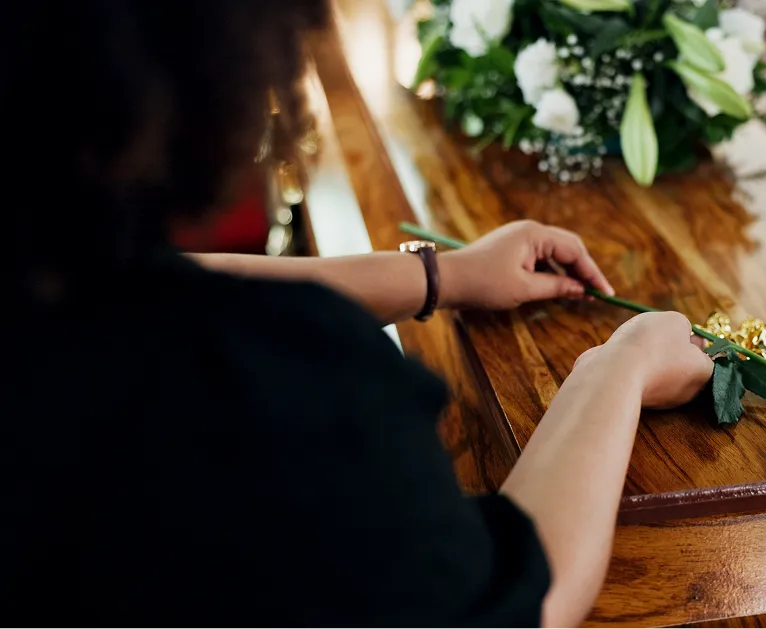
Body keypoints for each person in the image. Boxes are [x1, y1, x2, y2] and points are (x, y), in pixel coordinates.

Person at [3, 0, 714, 626]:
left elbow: (151, 282)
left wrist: (441, 274)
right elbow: (518, 599)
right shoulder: (260, 397)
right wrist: (615, 368)